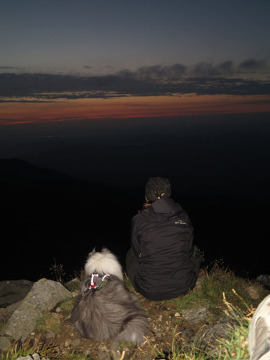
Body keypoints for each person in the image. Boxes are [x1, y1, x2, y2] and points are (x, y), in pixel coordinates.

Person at [126, 177, 201, 301]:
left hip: (149, 289)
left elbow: (137, 253)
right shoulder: (184, 217)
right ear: (169, 194)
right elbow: (188, 252)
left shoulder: (138, 220)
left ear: (146, 196)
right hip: (184, 286)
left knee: (130, 254)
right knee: (195, 251)